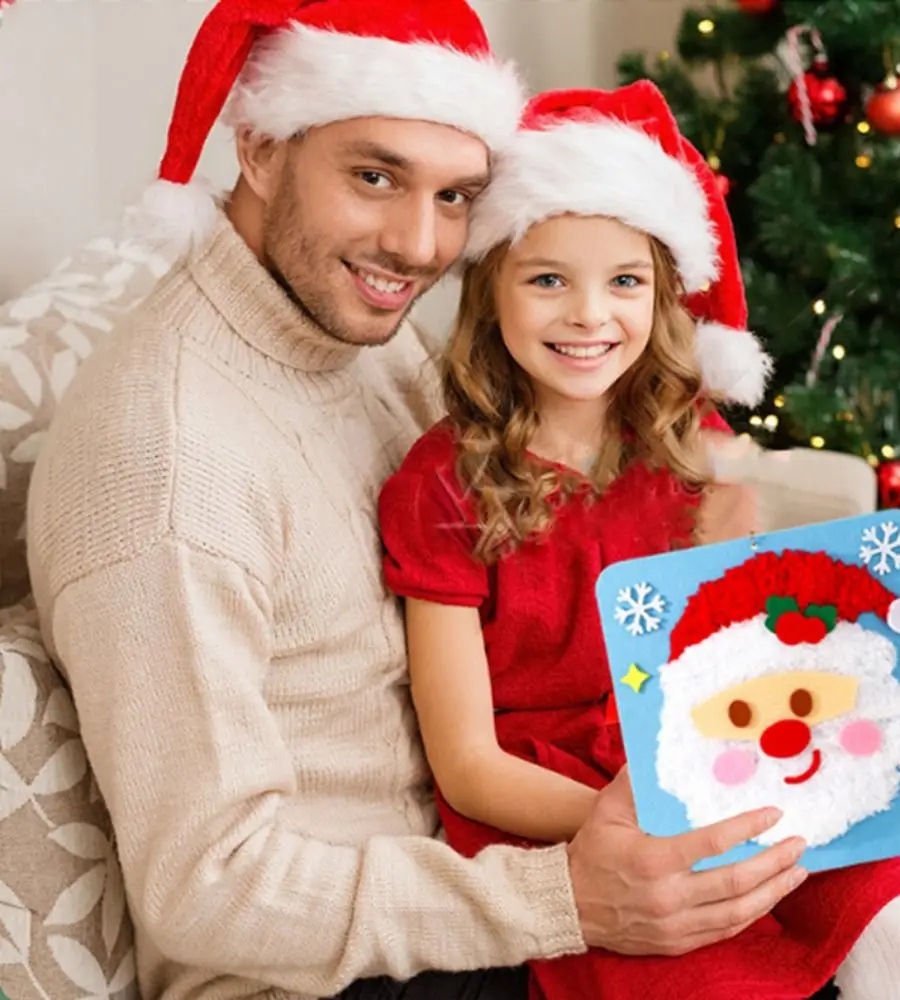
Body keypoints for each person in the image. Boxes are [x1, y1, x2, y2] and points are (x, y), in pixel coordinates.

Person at [27, 3, 819, 999]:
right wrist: (570, 896)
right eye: (375, 176)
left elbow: (526, 536)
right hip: (348, 969)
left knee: (871, 849)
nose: (418, 243)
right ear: (261, 147)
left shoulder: (352, 334)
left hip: (488, 858)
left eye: (456, 197)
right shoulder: (168, 460)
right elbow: (208, 884)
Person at [377, 82, 900, 1000]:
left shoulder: (675, 460)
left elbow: (731, 665)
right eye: (547, 279)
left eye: (624, 282)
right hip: (571, 814)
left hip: (718, 756)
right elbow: (468, 764)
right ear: (491, 291)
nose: (588, 314)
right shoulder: (441, 484)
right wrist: (649, 818)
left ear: (660, 298)